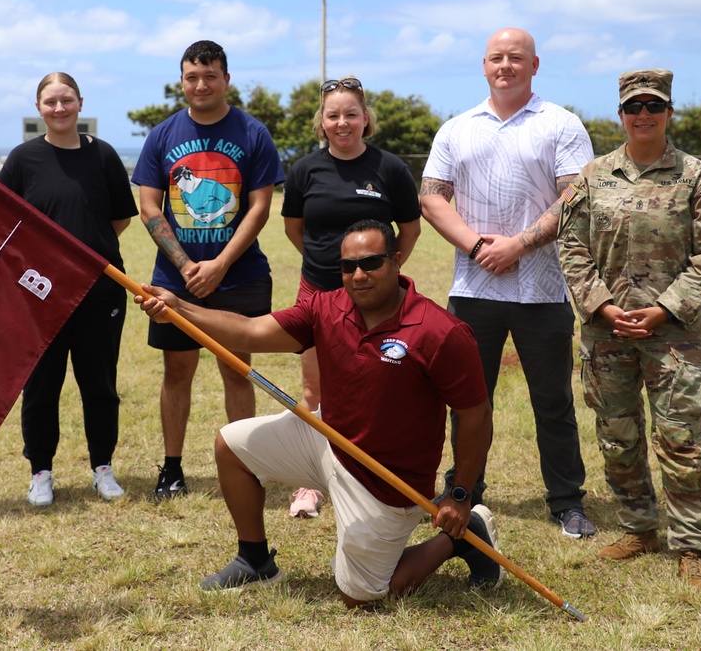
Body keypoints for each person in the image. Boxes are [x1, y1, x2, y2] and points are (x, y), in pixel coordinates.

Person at [136, 219, 503, 605]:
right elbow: (248, 331)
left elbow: (475, 414)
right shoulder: (326, 307)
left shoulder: (440, 331)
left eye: (371, 263)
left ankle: (461, 539)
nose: (358, 275)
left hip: (385, 480)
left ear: (396, 261)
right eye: (347, 267)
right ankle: (255, 562)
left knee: (360, 596)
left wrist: (459, 496)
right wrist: (180, 309)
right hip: (327, 436)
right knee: (231, 446)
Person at [558, 69, 701, 595]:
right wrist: (603, 307)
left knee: (680, 441)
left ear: (669, 113)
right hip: (606, 333)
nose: (643, 115)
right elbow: (571, 248)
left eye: (654, 106)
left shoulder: (696, 177)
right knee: (618, 436)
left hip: (673, 336)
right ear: (621, 115)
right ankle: (638, 528)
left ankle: (691, 548)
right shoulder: (594, 176)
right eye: (634, 107)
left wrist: (664, 309)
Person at [419, 27, 596, 539]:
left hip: (542, 288)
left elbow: (575, 197)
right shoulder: (457, 128)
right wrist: (478, 247)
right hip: (474, 290)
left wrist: (517, 245)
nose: (506, 66)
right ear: (483, 65)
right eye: (497, 57)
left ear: (534, 65)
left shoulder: (561, 124)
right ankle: (464, 491)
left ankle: (566, 501)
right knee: (470, 399)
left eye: (516, 58)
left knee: (553, 401)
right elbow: (431, 198)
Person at [131, 40, 284, 501]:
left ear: (226, 80)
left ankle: (244, 465)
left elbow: (260, 208)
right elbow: (148, 206)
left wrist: (219, 265)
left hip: (240, 276)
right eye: (192, 77)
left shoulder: (252, 133)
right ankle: (172, 469)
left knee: (237, 371)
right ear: (182, 82)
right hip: (175, 279)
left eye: (210, 76)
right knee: (176, 371)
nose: (201, 85)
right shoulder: (162, 136)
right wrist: (185, 265)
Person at [282, 75, 421, 518]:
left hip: (375, 301)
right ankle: (309, 484)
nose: (342, 122)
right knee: (314, 388)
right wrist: (330, 269)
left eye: (351, 114)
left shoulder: (390, 169)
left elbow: (411, 227)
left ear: (366, 120)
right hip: (318, 291)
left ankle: (369, 475)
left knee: (376, 385)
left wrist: (383, 270)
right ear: (321, 123)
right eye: (333, 115)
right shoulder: (304, 169)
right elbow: (294, 228)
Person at [0, 72, 138, 507]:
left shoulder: (103, 155)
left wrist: (84, 255)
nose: (59, 109)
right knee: (41, 386)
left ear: (80, 103)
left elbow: (118, 218)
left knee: (99, 385)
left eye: (66, 101)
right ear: (38, 108)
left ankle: (103, 467)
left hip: (100, 292)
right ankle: (41, 471)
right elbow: (4, 223)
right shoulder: (23, 159)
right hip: (40, 295)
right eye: (50, 102)